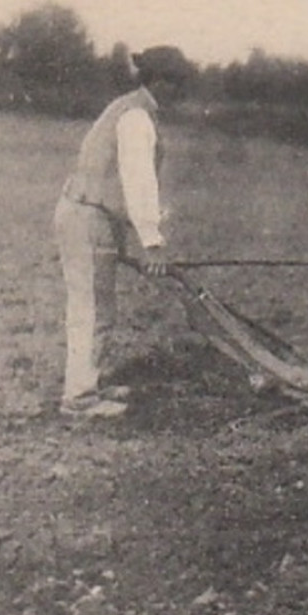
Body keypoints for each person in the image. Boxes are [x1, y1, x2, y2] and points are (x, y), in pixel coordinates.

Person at [54, 45, 193, 417]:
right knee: (93, 310)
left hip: (89, 214)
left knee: (98, 307)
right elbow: (137, 181)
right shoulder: (137, 118)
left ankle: (89, 382)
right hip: (89, 218)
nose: (182, 92)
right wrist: (152, 242)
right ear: (160, 82)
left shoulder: (129, 107)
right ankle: (79, 398)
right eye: (178, 84)